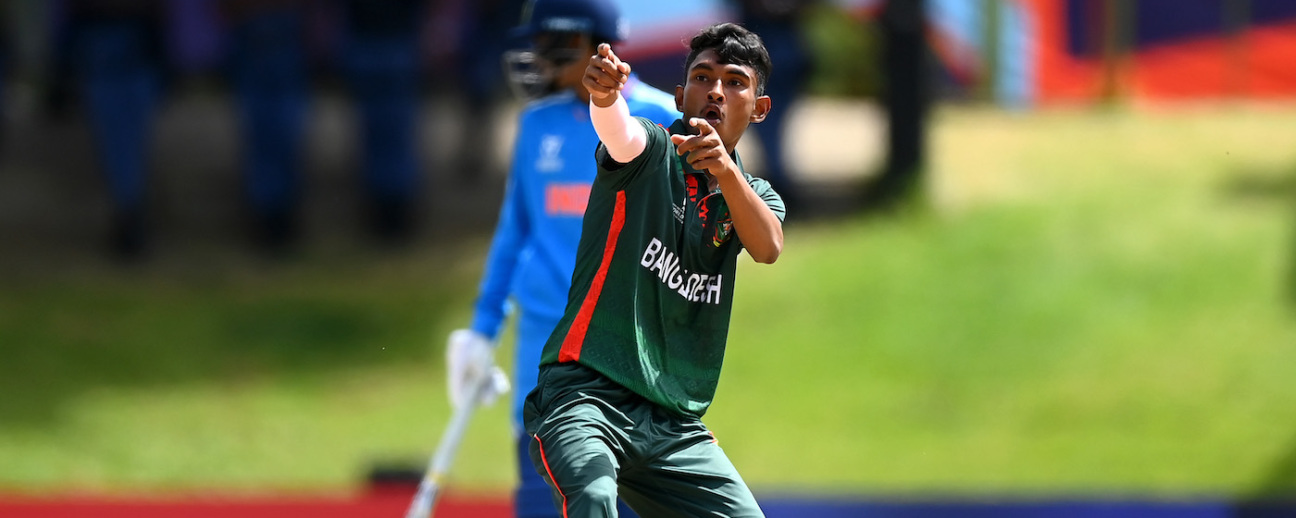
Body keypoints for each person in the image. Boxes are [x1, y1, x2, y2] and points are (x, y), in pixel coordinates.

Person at [523, 22, 784, 517]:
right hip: (585, 396)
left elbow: (768, 247)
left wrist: (725, 172)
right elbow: (620, 133)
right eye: (703, 78)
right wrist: (605, 97)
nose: (716, 91)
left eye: (735, 82)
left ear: (760, 108)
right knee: (594, 495)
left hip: (673, 423)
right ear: (680, 96)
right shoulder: (652, 151)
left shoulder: (754, 196)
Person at [442, 1, 680, 517]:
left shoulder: (662, 118)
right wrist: (483, 328)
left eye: (552, 43)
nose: (539, 56)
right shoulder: (535, 125)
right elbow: (514, 233)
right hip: (542, 352)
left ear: (595, 44)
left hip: (630, 360)